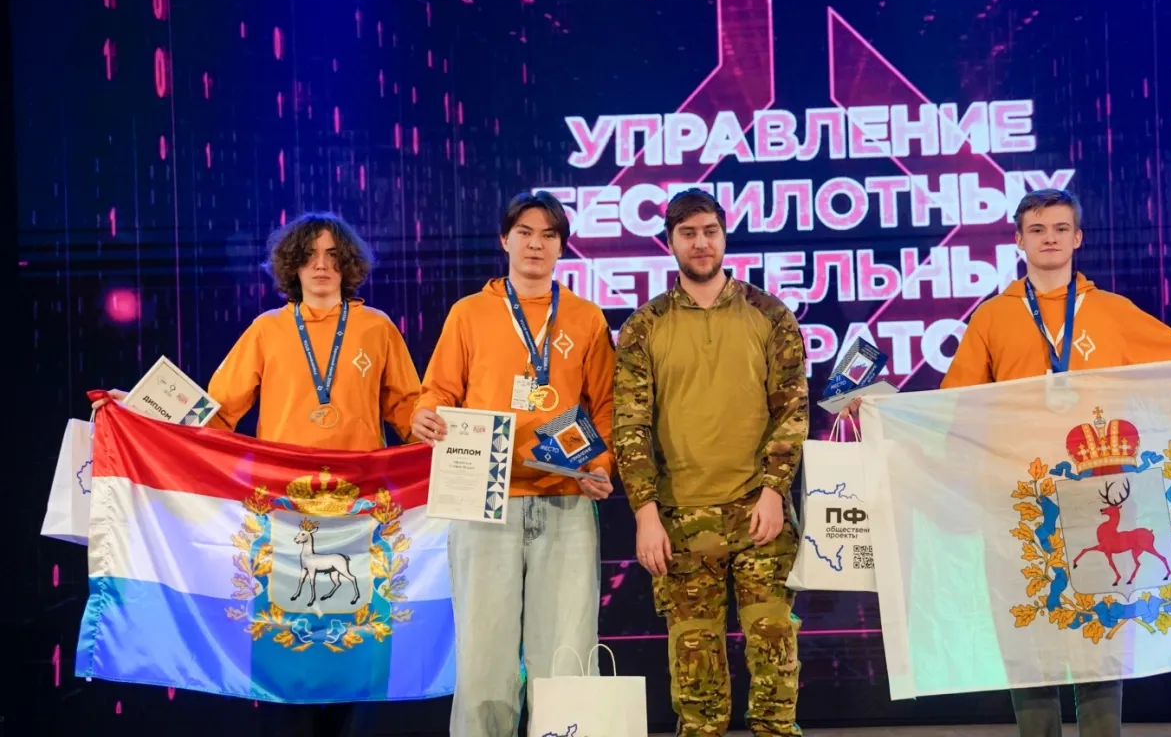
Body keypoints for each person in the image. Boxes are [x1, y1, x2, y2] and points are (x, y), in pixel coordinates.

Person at [844, 188, 1171, 737]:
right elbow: (954, 407)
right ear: (1018, 241)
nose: (1049, 238)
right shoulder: (992, 318)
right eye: (1036, 229)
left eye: (1059, 228)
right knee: (1029, 641)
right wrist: (886, 413)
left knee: (1101, 638)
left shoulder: (1113, 312)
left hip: (1096, 496)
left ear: (1077, 238)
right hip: (1019, 506)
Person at [97, 211, 423, 736]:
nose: (321, 266)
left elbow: (408, 411)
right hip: (285, 511)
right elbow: (214, 413)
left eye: (332, 256)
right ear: (292, 266)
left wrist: (450, 433)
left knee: (354, 646)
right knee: (289, 647)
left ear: (348, 265)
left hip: (358, 511)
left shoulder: (377, 327)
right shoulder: (267, 329)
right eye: (309, 256)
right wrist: (137, 411)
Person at [410, 191, 616, 737]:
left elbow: (607, 406)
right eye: (525, 232)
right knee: (484, 664)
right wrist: (425, 416)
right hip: (484, 501)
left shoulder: (586, 318)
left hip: (566, 500)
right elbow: (437, 393)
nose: (535, 244)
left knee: (567, 657)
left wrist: (602, 464)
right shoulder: (469, 313)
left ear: (562, 248)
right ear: (505, 240)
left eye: (549, 235)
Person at [613, 188, 808, 737]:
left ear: (723, 236)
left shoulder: (769, 314)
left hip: (759, 514)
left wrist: (774, 492)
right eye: (688, 233)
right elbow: (630, 427)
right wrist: (646, 515)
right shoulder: (645, 326)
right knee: (696, 682)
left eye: (710, 232)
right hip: (679, 520)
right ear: (670, 242)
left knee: (775, 663)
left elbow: (792, 411)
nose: (701, 243)